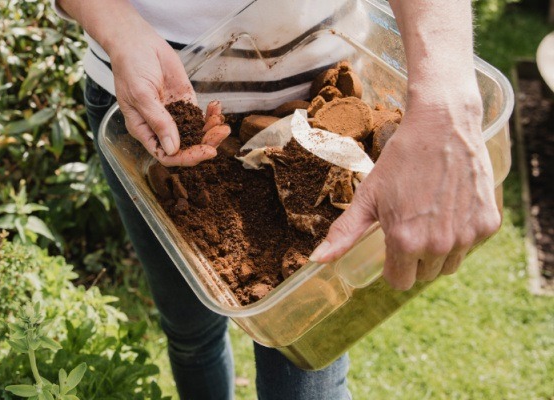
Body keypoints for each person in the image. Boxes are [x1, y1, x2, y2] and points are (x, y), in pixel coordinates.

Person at [52, 0, 501, 398]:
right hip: (148, 108)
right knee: (191, 333)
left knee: (307, 379)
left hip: (318, 99)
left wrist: (446, 105)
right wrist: (117, 24)